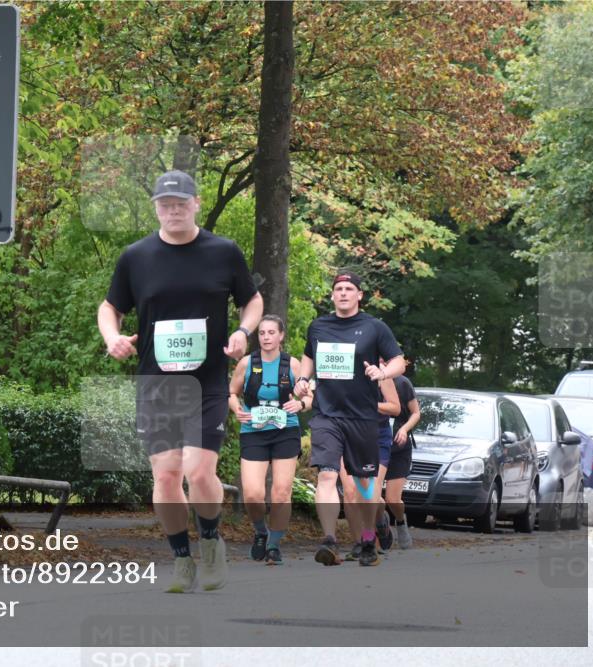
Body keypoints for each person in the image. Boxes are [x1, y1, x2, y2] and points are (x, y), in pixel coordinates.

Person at [98, 170, 263, 593]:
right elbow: (110, 307)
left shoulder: (223, 252)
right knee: (167, 475)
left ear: (196, 203)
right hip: (157, 383)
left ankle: (211, 543)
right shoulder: (136, 256)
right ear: (155, 207)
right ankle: (181, 558)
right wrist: (113, 337)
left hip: (207, 380)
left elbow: (252, 300)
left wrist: (243, 332)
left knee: (198, 469)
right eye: (165, 204)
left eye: (180, 203)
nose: (173, 210)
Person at [294, 271, 405, 567]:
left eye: (349, 288)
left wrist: (383, 373)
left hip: (363, 418)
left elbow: (398, 360)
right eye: (338, 288)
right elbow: (308, 355)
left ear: (359, 295)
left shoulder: (374, 328)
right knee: (327, 475)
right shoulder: (318, 326)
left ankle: (369, 538)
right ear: (332, 295)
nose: (343, 293)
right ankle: (329, 540)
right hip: (327, 415)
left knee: (364, 486)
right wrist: (303, 378)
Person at [228, 315, 310, 565]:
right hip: (254, 429)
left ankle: (274, 544)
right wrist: (236, 409)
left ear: (281, 336)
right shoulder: (246, 363)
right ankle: (260, 531)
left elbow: (310, 397)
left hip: (285, 429)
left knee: (281, 493)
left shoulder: (293, 365)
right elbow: (231, 392)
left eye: (271, 333)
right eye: (262, 333)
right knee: (253, 494)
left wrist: (301, 403)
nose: (266, 337)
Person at [340, 371, 399, 559]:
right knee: (351, 492)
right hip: (348, 435)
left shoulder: (382, 374)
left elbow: (395, 408)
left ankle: (376, 527)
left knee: (369, 493)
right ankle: (360, 542)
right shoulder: (341, 370)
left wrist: (370, 406)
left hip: (377, 437)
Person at [384, 371, 420, 548]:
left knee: (392, 499)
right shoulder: (366, 381)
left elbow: (415, 413)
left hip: (398, 449)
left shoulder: (402, 383)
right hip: (373, 447)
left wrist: (404, 429)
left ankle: (400, 520)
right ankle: (377, 531)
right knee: (369, 498)